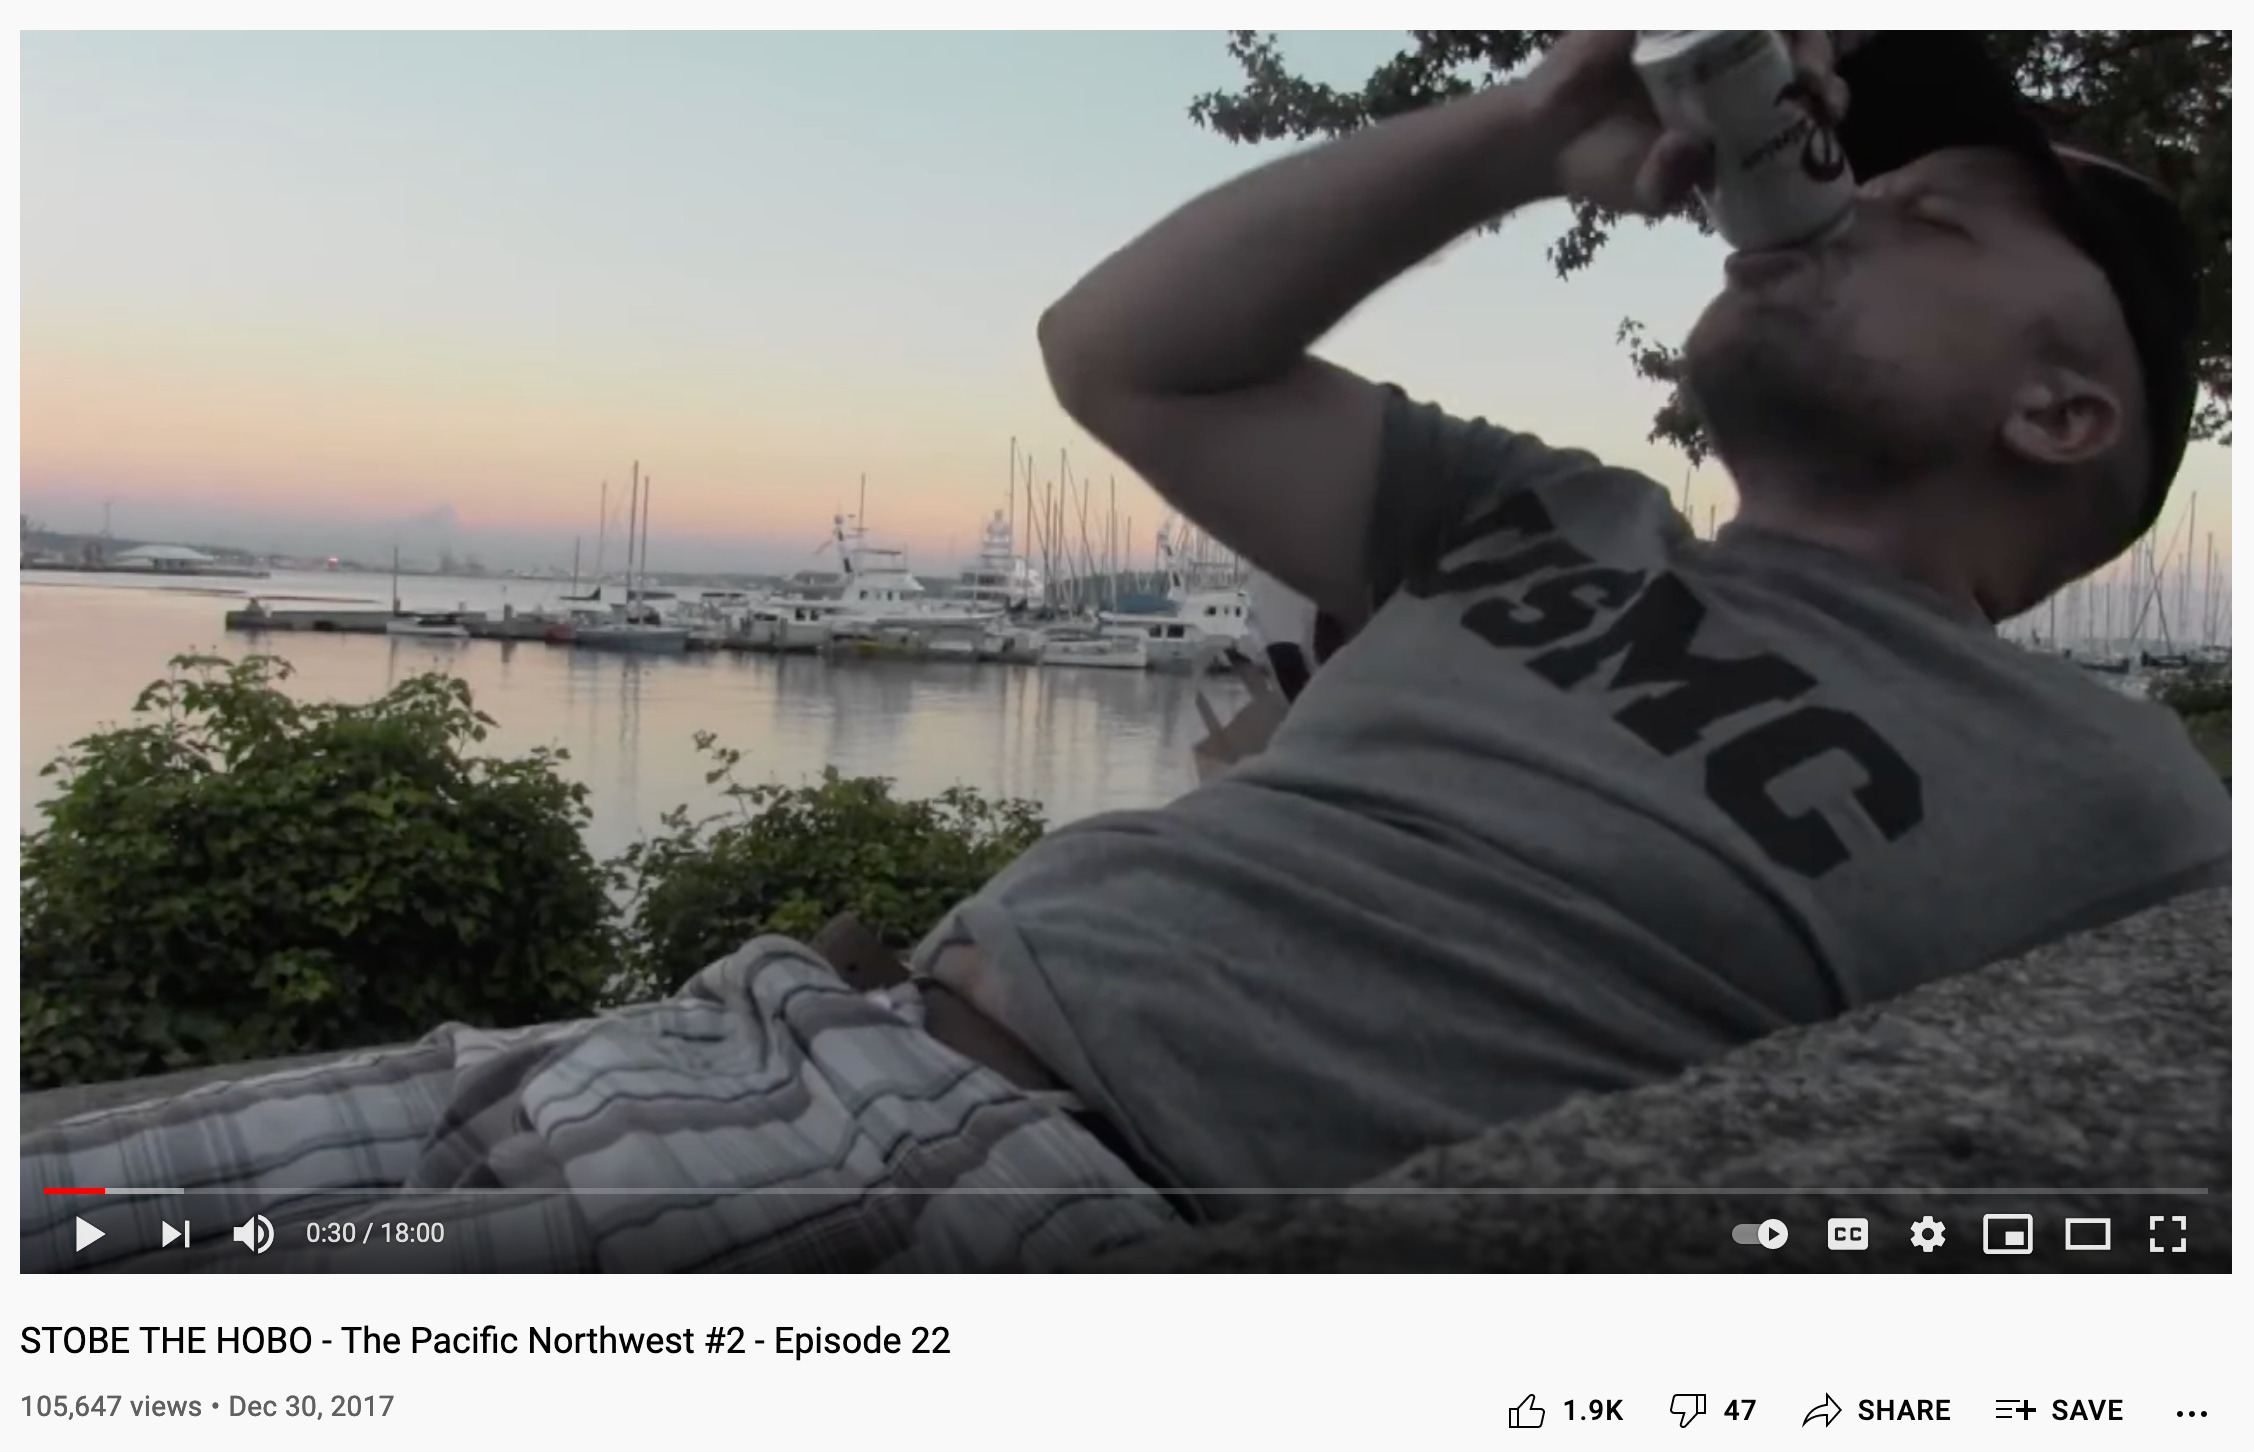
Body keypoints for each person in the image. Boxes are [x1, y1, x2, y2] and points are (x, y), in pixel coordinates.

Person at [22, 32, 2227, 1274]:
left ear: (2064, 417)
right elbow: (1128, 352)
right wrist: (1520, 135)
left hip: (1022, 1203)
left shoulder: (2115, 800)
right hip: (747, 1028)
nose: (1833, 212)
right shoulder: (1552, 515)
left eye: (1930, 219)